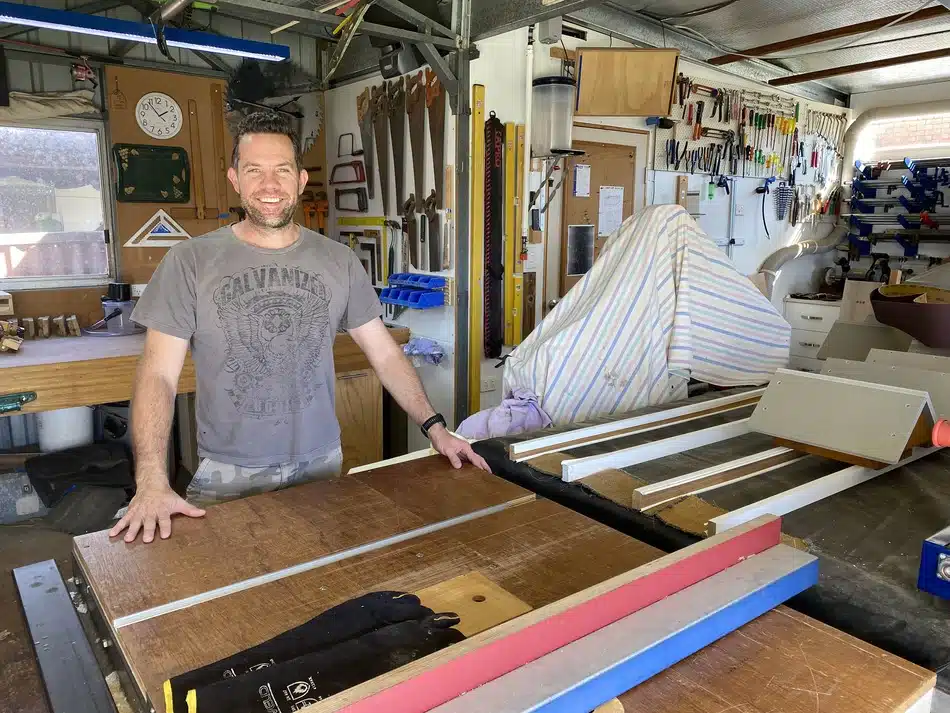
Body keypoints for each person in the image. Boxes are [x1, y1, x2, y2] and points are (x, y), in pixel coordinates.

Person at [109, 111, 490, 544]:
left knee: (320, 583)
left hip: (321, 464)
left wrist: (436, 427)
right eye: (255, 170)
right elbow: (158, 373)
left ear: (301, 180)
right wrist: (152, 481)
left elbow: (384, 354)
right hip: (231, 471)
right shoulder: (190, 262)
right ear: (234, 178)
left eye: (282, 171)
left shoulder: (339, 261)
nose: (269, 186)